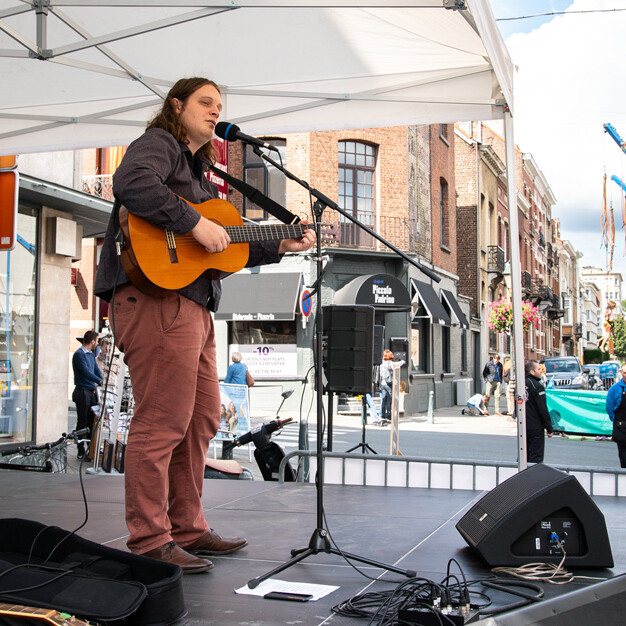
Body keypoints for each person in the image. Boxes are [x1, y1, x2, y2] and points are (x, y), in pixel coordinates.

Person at [94, 77, 316, 574]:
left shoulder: (199, 172)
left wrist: (282, 243)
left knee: (201, 420)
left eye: (219, 105)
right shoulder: (159, 144)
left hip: (192, 306)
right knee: (162, 422)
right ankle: (150, 540)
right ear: (176, 106)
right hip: (157, 300)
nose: (216, 111)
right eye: (205, 102)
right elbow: (132, 183)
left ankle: (187, 528)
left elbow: (224, 246)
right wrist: (194, 223)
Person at [72, 330, 102, 461]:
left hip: (90, 391)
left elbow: (95, 370)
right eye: (97, 341)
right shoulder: (79, 355)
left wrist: (103, 378)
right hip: (82, 391)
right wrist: (99, 381)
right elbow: (85, 372)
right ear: (92, 341)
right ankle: (80, 451)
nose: (97, 343)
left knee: (91, 422)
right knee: (82, 422)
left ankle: (91, 450)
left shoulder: (90, 354)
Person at [524, 360, 554, 463]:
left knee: (524, 455)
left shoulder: (521, 384)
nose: (541, 371)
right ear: (532, 372)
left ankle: (523, 473)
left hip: (523, 426)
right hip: (535, 427)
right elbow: (542, 409)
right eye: (538, 369)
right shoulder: (537, 386)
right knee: (535, 457)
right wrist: (549, 428)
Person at [605, 364, 626, 468]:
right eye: (625, 373)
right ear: (622, 373)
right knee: (624, 455)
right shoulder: (615, 389)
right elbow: (609, 407)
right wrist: (616, 420)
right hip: (621, 425)